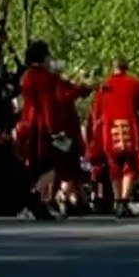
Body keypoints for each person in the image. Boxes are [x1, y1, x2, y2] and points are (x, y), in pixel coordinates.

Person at [91, 58, 139, 218]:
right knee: (131, 165)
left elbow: (96, 113)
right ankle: (123, 201)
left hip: (110, 129)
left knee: (114, 166)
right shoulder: (136, 84)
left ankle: (118, 200)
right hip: (130, 127)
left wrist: (95, 133)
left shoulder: (104, 86)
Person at [16, 40, 62, 220]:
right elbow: (47, 105)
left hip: (27, 123)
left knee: (33, 167)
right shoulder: (45, 78)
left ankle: (37, 204)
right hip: (41, 126)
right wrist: (53, 129)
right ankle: (34, 198)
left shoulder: (27, 76)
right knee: (49, 167)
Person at [52, 65, 93, 216]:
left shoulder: (63, 83)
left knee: (74, 166)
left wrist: (84, 87)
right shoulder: (52, 85)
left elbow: (81, 92)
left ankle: (78, 200)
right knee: (66, 167)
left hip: (70, 132)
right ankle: (63, 196)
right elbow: (64, 99)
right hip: (61, 133)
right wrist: (78, 89)